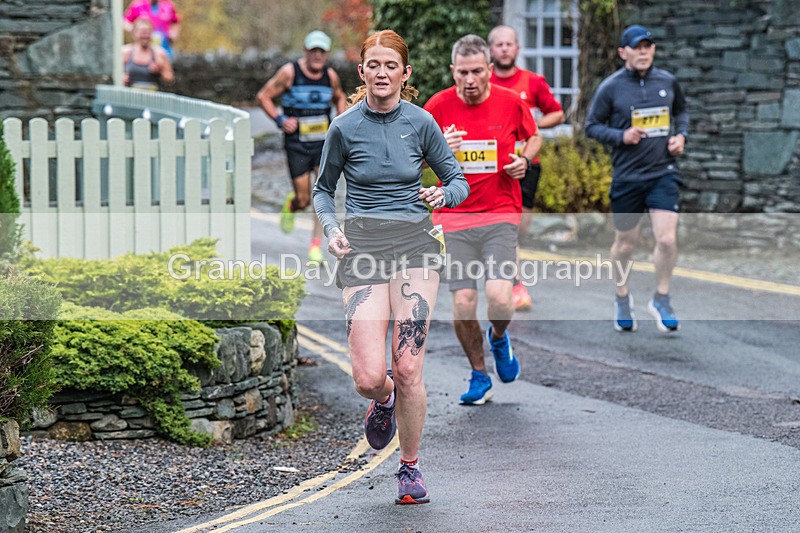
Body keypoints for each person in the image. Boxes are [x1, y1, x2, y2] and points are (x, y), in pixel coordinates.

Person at [313, 30, 468, 505]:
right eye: (373, 65)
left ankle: (409, 468)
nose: (382, 73)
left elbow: (457, 180)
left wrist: (442, 194)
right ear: (361, 72)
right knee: (368, 375)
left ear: (406, 73)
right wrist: (330, 228)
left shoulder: (421, 124)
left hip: (416, 248)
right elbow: (323, 190)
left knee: (408, 367)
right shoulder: (343, 127)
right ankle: (382, 402)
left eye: (391, 65)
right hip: (362, 251)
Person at [423, 35, 540, 405]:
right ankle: (478, 373)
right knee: (462, 303)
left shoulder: (510, 102)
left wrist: (525, 161)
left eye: (477, 72)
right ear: (452, 72)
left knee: (500, 297)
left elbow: (533, 138)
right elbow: (415, 161)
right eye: (463, 73)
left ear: (490, 70)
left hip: (500, 211)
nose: (470, 80)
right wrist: (442, 148)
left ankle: (500, 337)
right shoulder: (437, 106)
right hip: (453, 216)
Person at [585, 24, 689, 333]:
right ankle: (621, 296)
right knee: (625, 244)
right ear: (623, 53)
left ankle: (662, 297)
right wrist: (622, 135)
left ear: (653, 50)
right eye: (637, 47)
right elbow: (591, 126)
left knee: (667, 239)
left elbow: (681, 112)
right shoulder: (611, 87)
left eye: (648, 46)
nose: (643, 52)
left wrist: (681, 136)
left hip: (663, 173)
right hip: (628, 177)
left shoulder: (668, 81)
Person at [488, 25, 565, 312]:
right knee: (507, 225)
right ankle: (515, 283)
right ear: (491, 50)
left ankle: (506, 263)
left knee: (520, 227)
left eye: (510, 44)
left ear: (517, 49)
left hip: (526, 164)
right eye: (499, 44)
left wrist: (529, 126)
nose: (505, 49)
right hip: (493, 168)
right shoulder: (483, 82)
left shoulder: (532, 82)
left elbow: (557, 113)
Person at [258, 30, 348, 265]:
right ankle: (293, 203)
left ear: (327, 54)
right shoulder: (290, 73)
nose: (317, 55)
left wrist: (341, 116)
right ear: (306, 51)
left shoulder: (330, 76)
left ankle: (315, 248)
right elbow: (264, 96)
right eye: (313, 50)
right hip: (297, 145)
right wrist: (280, 120)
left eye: (322, 51)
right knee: (304, 198)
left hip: (323, 145)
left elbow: (340, 97)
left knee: (322, 195)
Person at [122, 17, 174, 91]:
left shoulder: (159, 53)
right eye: (142, 32)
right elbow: (112, 75)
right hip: (129, 97)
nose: (145, 36)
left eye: (148, 32)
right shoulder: (125, 52)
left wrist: (160, 71)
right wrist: (121, 77)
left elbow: (170, 79)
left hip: (152, 97)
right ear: (134, 34)